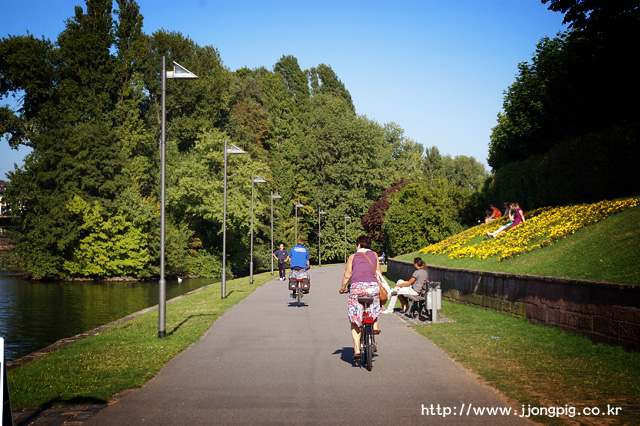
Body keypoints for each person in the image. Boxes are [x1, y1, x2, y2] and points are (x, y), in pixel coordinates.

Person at [339, 235, 381, 361]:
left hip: (357, 288)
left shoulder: (353, 257)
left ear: (358, 245)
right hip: (372, 287)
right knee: (375, 303)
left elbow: (347, 275)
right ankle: (375, 325)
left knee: (355, 319)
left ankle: (357, 349)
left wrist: (342, 287)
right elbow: (378, 273)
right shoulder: (374, 255)